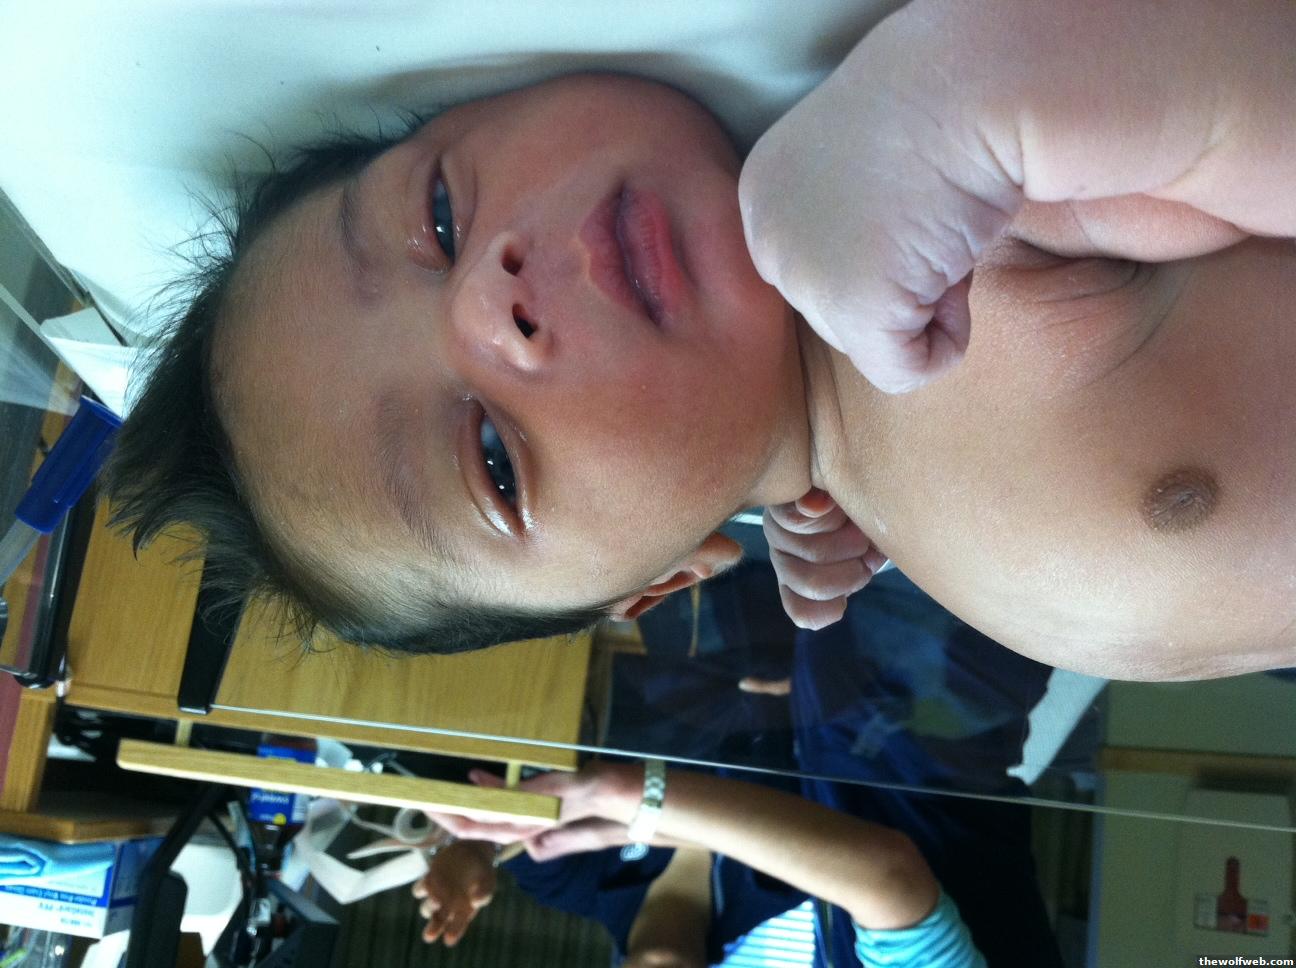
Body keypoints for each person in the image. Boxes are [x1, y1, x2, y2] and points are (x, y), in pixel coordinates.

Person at [102, 0, 1295, 679]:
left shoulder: (932, 190)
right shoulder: (902, 482)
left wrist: (968, 102)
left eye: (441, 216)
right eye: (494, 461)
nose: (485, 304)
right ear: (663, 578)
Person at [420, 761, 988, 967]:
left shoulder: (566, 885)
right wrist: (623, 810)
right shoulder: (785, 896)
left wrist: (467, 849)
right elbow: (884, 872)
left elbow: (508, 820)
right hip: (853, 684)